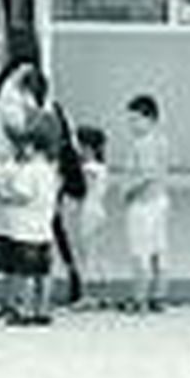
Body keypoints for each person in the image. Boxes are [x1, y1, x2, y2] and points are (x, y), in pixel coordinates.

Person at [0, 124, 60, 325]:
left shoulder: (29, 170)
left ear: (31, 147)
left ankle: (24, 311)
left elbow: (23, 196)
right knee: (44, 273)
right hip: (45, 230)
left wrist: (4, 193)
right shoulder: (50, 170)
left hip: (25, 231)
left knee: (25, 274)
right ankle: (43, 311)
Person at [122, 94, 170, 312]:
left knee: (139, 253)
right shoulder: (162, 141)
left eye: (135, 120)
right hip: (160, 201)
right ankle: (158, 297)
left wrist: (128, 192)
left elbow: (147, 175)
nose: (131, 125)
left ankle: (139, 298)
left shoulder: (142, 143)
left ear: (150, 118)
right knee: (159, 251)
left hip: (143, 205)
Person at [74, 126, 110, 307]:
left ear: (87, 148)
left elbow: (81, 191)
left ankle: (86, 296)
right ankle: (102, 294)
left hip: (88, 211)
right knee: (99, 253)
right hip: (101, 210)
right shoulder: (102, 168)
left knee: (86, 254)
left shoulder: (87, 169)